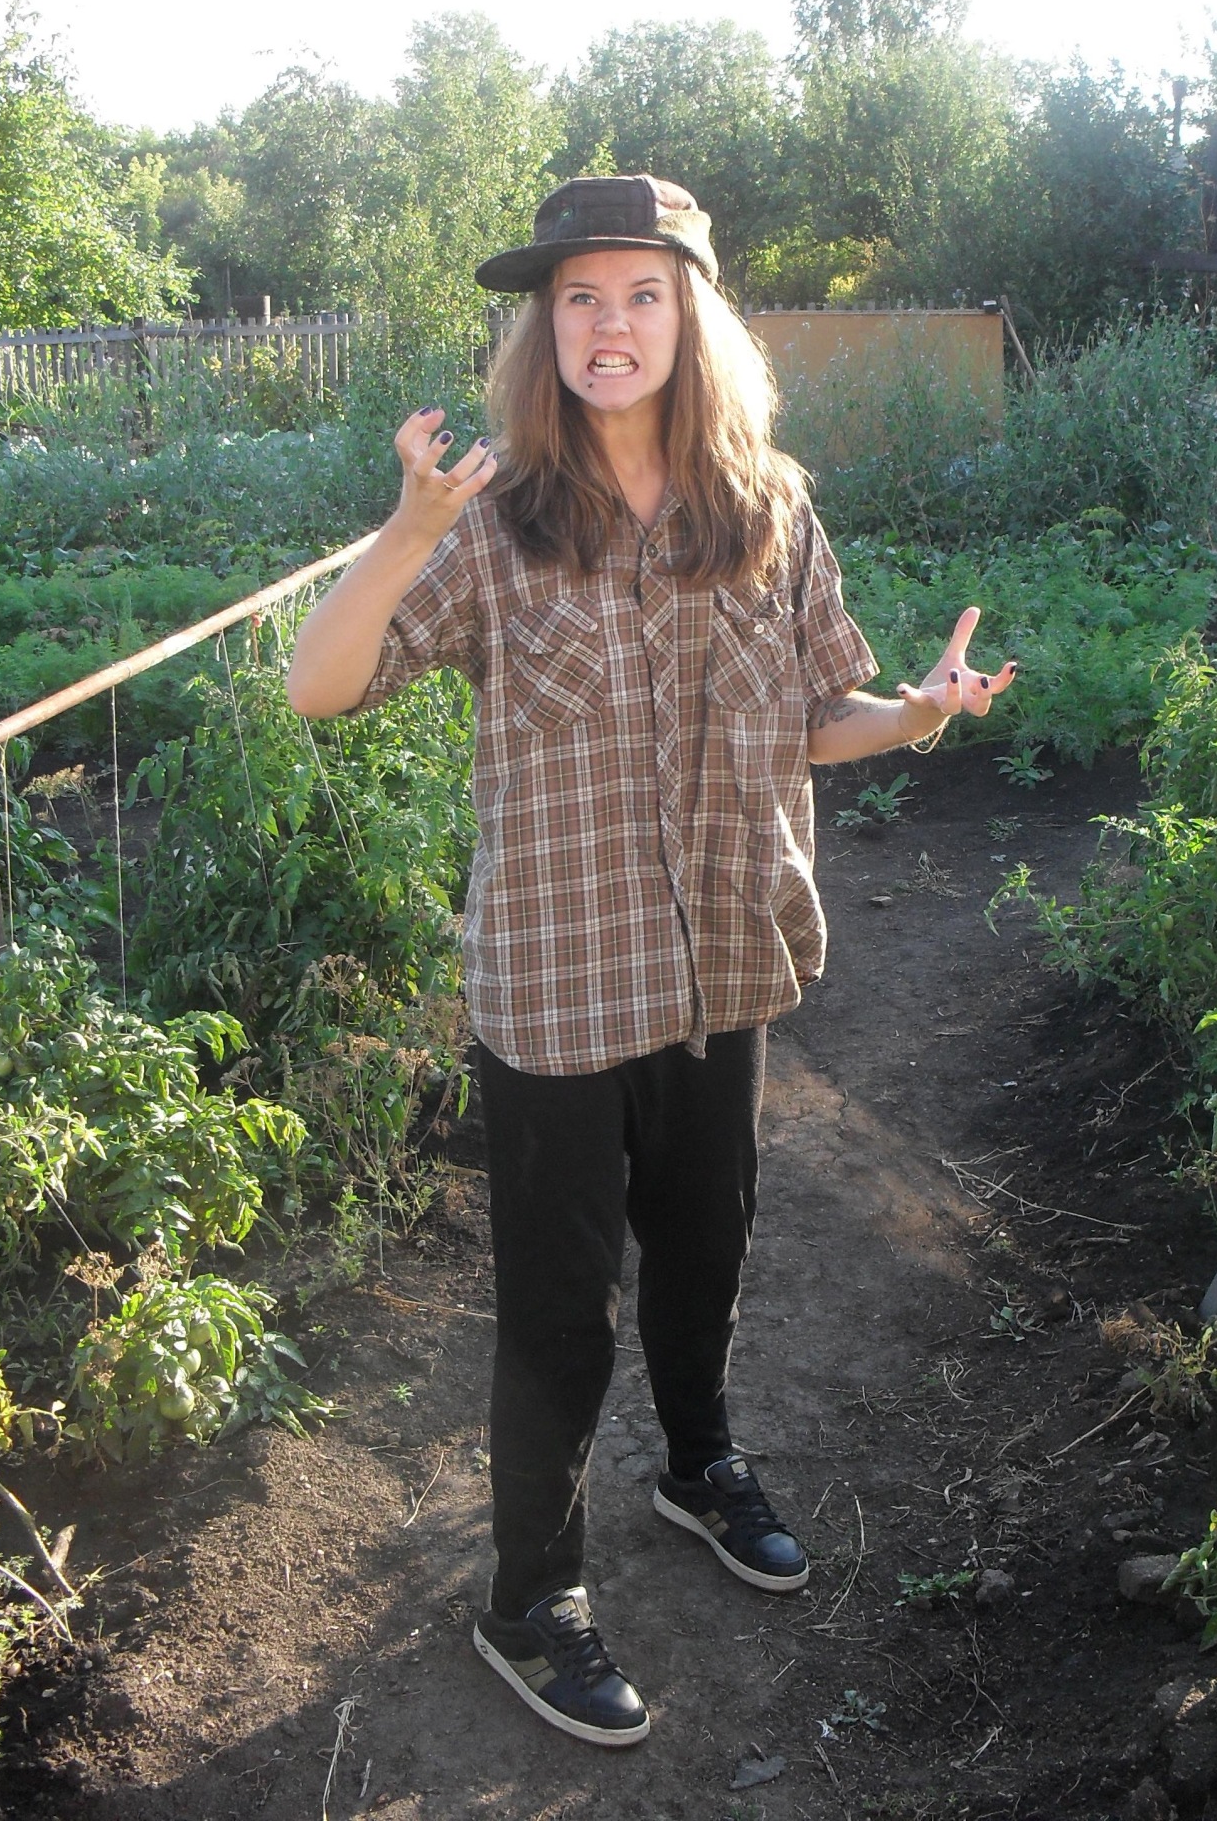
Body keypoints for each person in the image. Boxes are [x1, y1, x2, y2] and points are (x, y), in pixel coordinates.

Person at [285, 175, 1015, 1748]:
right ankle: (529, 1596)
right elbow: (319, 686)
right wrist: (408, 528)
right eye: (579, 298)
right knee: (560, 1309)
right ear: (543, 331)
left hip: (721, 962)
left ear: (694, 320)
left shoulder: (767, 507)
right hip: (557, 986)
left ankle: (698, 1466)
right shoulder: (493, 525)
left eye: (641, 294)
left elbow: (814, 717)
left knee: (707, 1248)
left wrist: (915, 715)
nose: (608, 325)